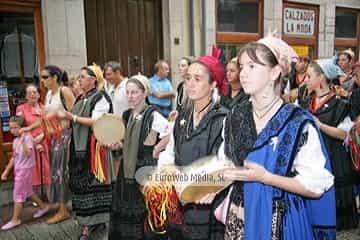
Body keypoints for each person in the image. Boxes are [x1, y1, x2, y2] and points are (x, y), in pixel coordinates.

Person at [207, 35, 336, 239]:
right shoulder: (233, 116)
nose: (243, 74)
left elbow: (316, 186)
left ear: (275, 72)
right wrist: (212, 185)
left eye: (252, 66)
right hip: (239, 216)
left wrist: (266, 178)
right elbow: (228, 163)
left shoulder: (297, 122)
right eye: (242, 66)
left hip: (282, 220)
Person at [158, 52, 229, 240]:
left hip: (208, 203)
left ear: (213, 84)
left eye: (198, 79)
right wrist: (167, 168)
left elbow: (226, 161)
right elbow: (170, 152)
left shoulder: (223, 119)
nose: (190, 83)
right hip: (180, 201)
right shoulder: (182, 117)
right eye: (188, 78)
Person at [108, 74, 170, 240]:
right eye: (128, 92)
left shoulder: (153, 115)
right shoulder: (127, 115)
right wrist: (118, 144)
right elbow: (125, 141)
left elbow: (170, 133)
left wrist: (157, 147)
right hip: (127, 169)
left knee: (144, 210)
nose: (130, 96)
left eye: (134, 92)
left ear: (145, 93)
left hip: (144, 169)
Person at [58, 64, 114, 239]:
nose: (79, 80)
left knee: (94, 185)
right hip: (78, 149)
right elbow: (74, 122)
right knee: (80, 185)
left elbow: (97, 121)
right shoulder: (80, 98)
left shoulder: (100, 97)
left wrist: (72, 117)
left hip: (94, 149)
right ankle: (88, 222)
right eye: (79, 77)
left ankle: (92, 225)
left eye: (83, 76)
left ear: (93, 80)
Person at [302, 58, 358, 230]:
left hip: (334, 160)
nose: (305, 80)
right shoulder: (306, 104)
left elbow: (344, 134)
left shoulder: (341, 105)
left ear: (321, 78)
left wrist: (320, 126)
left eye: (309, 76)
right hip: (312, 161)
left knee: (337, 223)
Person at [22, 65, 75, 224]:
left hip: (65, 137)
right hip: (54, 139)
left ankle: (63, 210)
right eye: (41, 78)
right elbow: (44, 118)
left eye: (45, 77)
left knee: (61, 174)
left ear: (55, 78)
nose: (42, 81)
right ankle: (63, 207)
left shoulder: (64, 91)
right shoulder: (49, 94)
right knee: (56, 174)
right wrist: (30, 128)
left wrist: (57, 117)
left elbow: (74, 114)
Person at [1, 116, 49, 230]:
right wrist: (6, 171)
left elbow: (28, 154)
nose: (13, 130)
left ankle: (15, 219)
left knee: (18, 195)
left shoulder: (27, 138)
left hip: (25, 169)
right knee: (28, 192)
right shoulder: (15, 140)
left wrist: (23, 141)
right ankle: (43, 207)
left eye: (16, 128)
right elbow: (14, 157)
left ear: (23, 128)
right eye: (11, 128)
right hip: (19, 169)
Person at [16, 84, 51, 199]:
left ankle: (48, 195)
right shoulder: (21, 109)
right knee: (32, 171)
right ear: (25, 96)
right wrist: (32, 140)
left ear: (39, 94)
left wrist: (42, 136)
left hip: (45, 141)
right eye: (29, 93)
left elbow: (50, 125)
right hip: (30, 145)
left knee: (46, 169)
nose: (32, 95)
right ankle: (35, 197)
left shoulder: (45, 108)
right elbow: (19, 128)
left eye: (34, 92)